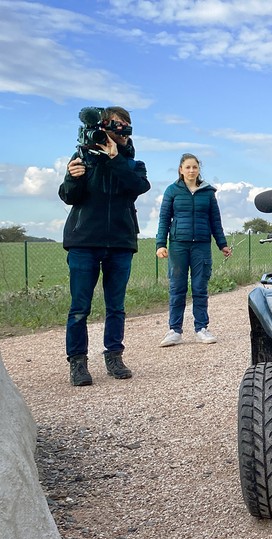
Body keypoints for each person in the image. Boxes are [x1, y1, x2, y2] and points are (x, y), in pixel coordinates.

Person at [59, 105, 151, 387]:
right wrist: (71, 177)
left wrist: (114, 158)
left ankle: (114, 355)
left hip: (120, 242)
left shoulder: (134, 164)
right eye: (111, 124)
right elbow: (69, 197)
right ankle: (77, 362)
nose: (116, 130)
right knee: (79, 307)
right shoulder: (83, 157)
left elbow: (138, 187)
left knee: (116, 305)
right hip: (84, 241)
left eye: (122, 125)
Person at [155, 153, 232, 346]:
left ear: (199, 169)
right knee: (177, 288)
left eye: (194, 167)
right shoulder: (172, 191)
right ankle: (174, 330)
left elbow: (215, 221)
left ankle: (202, 328)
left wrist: (222, 244)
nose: (191, 171)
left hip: (201, 245)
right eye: (187, 167)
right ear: (181, 169)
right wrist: (160, 244)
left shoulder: (208, 192)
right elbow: (164, 219)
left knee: (200, 287)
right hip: (178, 245)